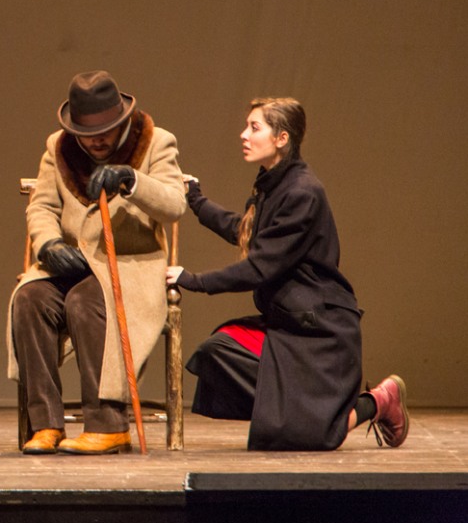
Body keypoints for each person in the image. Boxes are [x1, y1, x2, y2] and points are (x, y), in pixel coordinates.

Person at [166, 97, 409, 450]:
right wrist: (197, 201)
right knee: (218, 353)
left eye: (254, 127)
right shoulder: (273, 182)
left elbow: (260, 266)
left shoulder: (302, 192)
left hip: (319, 331)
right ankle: (296, 417)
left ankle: (378, 401)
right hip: (290, 323)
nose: (244, 135)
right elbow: (247, 230)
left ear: (281, 138)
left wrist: (193, 279)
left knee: (314, 436)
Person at [8, 70, 185, 455]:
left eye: (105, 131)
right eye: (87, 134)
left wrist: (131, 179)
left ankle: (108, 423)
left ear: (121, 120)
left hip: (128, 264)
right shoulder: (58, 146)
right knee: (29, 299)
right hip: (70, 261)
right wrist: (49, 243)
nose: (97, 140)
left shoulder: (156, 142)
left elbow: (174, 205)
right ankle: (46, 424)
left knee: (85, 301)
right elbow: (41, 206)